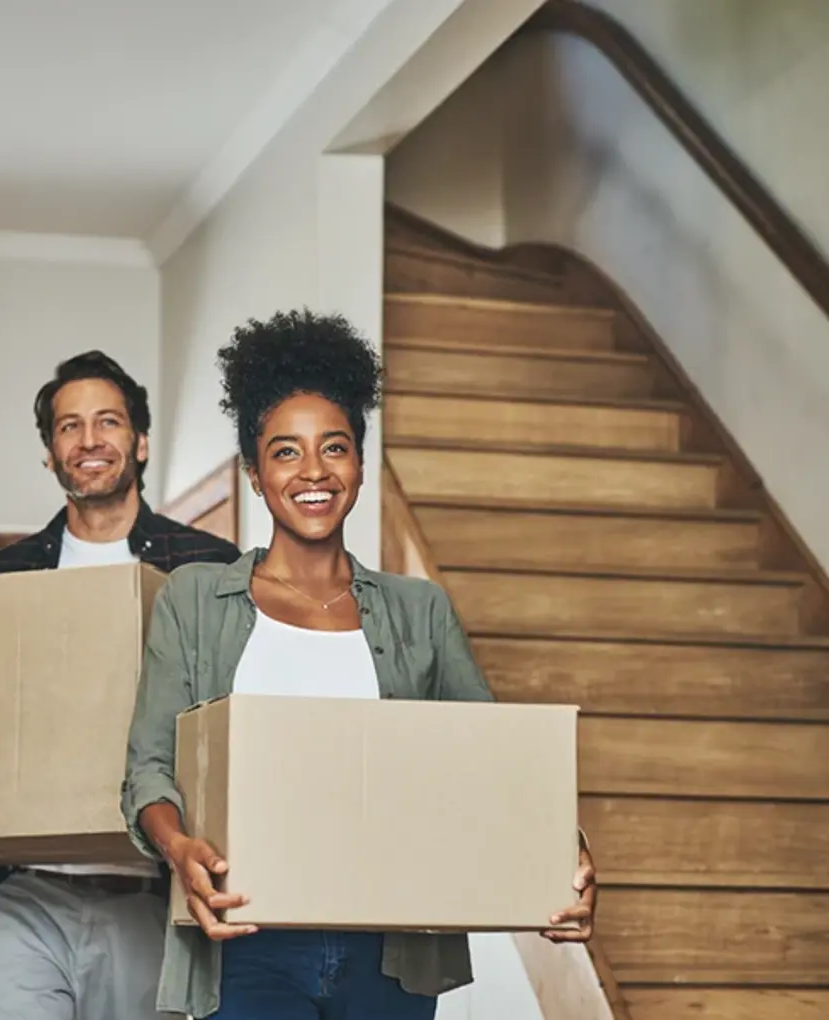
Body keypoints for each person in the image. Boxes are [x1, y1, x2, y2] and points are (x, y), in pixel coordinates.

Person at [120, 310, 598, 1019]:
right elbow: (148, 766)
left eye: (334, 448)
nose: (313, 471)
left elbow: (498, 765)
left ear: (361, 465)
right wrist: (178, 846)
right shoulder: (197, 601)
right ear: (254, 474)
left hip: (392, 953)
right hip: (246, 944)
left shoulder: (419, 612)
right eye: (285, 452)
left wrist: (568, 852)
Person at [0, 350, 242, 1020]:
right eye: (69, 427)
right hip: (22, 892)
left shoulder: (207, 567)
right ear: (49, 452)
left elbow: (232, 727)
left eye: (107, 422)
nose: (89, 441)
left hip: (153, 888)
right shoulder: (8, 573)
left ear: (139, 441)